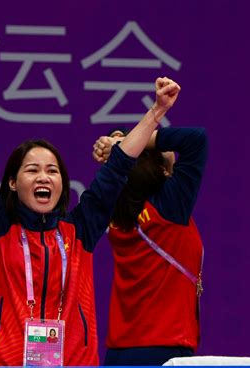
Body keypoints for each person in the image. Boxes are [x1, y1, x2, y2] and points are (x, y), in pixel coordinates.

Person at [0, 57, 181, 366]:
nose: (44, 177)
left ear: (62, 183)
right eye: (33, 170)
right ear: (13, 182)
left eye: (52, 170)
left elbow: (118, 167)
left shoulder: (80, 230)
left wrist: (157, 111)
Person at [92, 121, 208, 365]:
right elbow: (195, 138)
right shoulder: (170, 204)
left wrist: (119, 148)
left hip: (118, 352)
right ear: (162, 168)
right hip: (164, 351)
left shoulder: (117, 211)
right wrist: (125, 145)